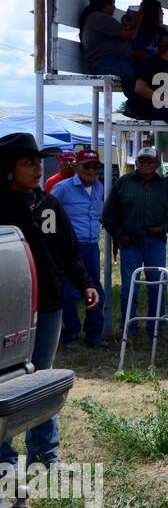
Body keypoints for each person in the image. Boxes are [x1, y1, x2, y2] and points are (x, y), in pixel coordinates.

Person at [0, 133, 98, 471]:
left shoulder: (49, 205)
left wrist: (85, 283)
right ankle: (4, 458)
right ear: (8, 169)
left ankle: (45, 454)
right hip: (9, 307)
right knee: (8, 382)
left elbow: (69, 250)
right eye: (27, 163)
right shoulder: (1, 205)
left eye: (39, 162)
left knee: (42, 377)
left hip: (50, 302)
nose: (37, 169)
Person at [101, 146, 168, 334]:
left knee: (157, 284)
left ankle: (155, 327)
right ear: (136, 163)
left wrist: (163, 228)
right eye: (142, 161)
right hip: (129, 242)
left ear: (156, 163)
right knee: (129, 287)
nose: (145, 164)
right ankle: (129, 328)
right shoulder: (123, 183)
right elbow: (108, 215)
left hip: (155, 241)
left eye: (150, 161)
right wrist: (121, 235)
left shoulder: (167, 186)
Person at [51, 150, 106, 348]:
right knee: (71, 293)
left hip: (92, 246)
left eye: (95, 166)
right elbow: (48, 212)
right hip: (70, 248)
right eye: (87, 166)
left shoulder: (100, 188)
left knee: (95, 290)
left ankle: (94, 334)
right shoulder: (62, 188)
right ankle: (70, 334)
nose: (91, 170)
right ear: (77, 167)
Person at [79, 0, 139, 81]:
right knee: (130, 71)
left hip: (104, 62)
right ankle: (134, 95)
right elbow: (130, 35)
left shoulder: (95, 17)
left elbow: (121, 35)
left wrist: (126, 24)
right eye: (113, 4)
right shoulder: (100, 18)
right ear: (106, 4)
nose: (114, 8)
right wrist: (137, 20)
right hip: (101, 64)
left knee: (139, 69)